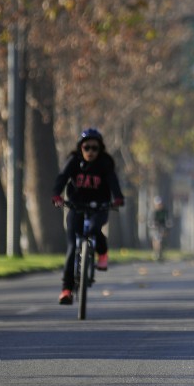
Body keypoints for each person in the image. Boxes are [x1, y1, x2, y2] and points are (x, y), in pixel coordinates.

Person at [52, 128, 124, 305]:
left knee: (93, 228)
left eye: (95, 148)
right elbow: (62, 177)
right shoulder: (74, 161)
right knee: (71, 247)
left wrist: (118, 198)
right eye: (86, 147)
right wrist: (56, 195)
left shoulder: (105, 163)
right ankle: (66, 290)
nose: (90, 152)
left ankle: (102, 251)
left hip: (99, 206)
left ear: (100, 149)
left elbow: (113, 181)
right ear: (80, 148)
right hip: (76, 206)